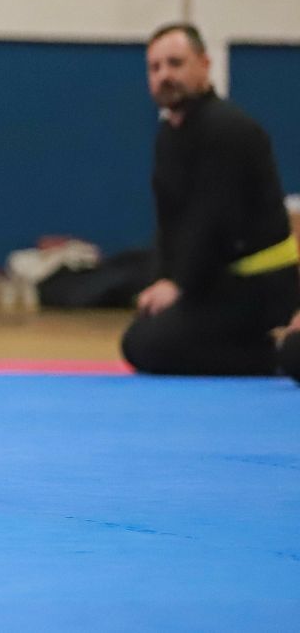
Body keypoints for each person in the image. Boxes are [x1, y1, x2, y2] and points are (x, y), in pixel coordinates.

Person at [121, 24, 299, 376]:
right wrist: (162, 278)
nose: (164, 75)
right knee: (141, 336)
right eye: (155, 68)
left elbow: (212, 219)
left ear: (204, 64)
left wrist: (178, 284)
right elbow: (171, 223)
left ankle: (271, 360)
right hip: (216, 283)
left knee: (149, 346)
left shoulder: (229, 129)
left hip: (259, 288)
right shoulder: (170, 137)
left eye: (175, 63)